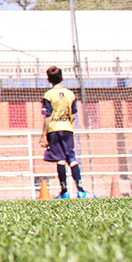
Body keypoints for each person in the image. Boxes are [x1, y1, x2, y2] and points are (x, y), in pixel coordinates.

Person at [40, 66, 88, 199]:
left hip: (54, 130)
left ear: (49, 80)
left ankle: (64, 191)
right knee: (71, 158)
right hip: (67, 129)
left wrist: (43, 135)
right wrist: (66, 121)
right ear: (62, 77)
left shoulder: (48, 95)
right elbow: (73, 115)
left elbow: (47, 116)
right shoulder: (70, 94)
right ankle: (81, 190)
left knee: (60, 159)